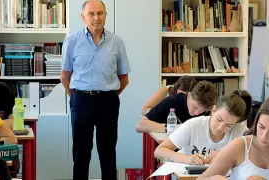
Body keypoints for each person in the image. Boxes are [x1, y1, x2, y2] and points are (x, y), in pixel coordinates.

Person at [60, 0, 131, 179]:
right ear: (83, 17)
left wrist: (108, 94)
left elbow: (124, 79)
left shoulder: (117, 42)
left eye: (100, 13)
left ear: (106, 15)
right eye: (91, 14)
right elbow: (65, 76)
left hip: (108, 101)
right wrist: (76, 95)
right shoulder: (72, 41)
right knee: (81, 152)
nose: (96, 18)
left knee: (107, 152)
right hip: (81, 100)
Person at [197, 93, 269, 180]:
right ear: (256, 122)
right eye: (261, 127)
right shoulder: (239, 146)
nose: (264, 136)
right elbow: (201, 179)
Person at [154, 90, 252, 165]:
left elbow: (259, 155)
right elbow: (159, 151)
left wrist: (227, 155)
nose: (220, 128)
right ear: (213, 110)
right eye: (219, 119)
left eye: (229, 125)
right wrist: (187, 159)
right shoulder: (194, 125)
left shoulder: (240, 130)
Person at [136, 80, 217, 133]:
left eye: (202, 111)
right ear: (189, 95)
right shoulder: (172, 101)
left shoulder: (209, 109)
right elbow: (140, 126)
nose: (197, 113)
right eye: (195, 107)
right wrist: (172, 128)